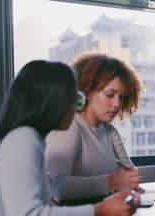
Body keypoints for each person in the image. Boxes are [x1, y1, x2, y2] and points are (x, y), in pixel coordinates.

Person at [0, 60, 140, 216]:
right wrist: (101, 210)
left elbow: (54, 185)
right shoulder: (23, 139)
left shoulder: (29, 139)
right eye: (75, 100)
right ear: (53, 101)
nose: (76, 108)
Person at [45, 53, 144, 201]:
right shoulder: (69, 127)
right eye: (110, 95)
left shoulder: (110, 131)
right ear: (87, 91)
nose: (117, 104)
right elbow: (54, 186)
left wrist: (130, 180)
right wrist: (112, 182)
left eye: (121, 97)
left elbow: (129, 173)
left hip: (105, 215)